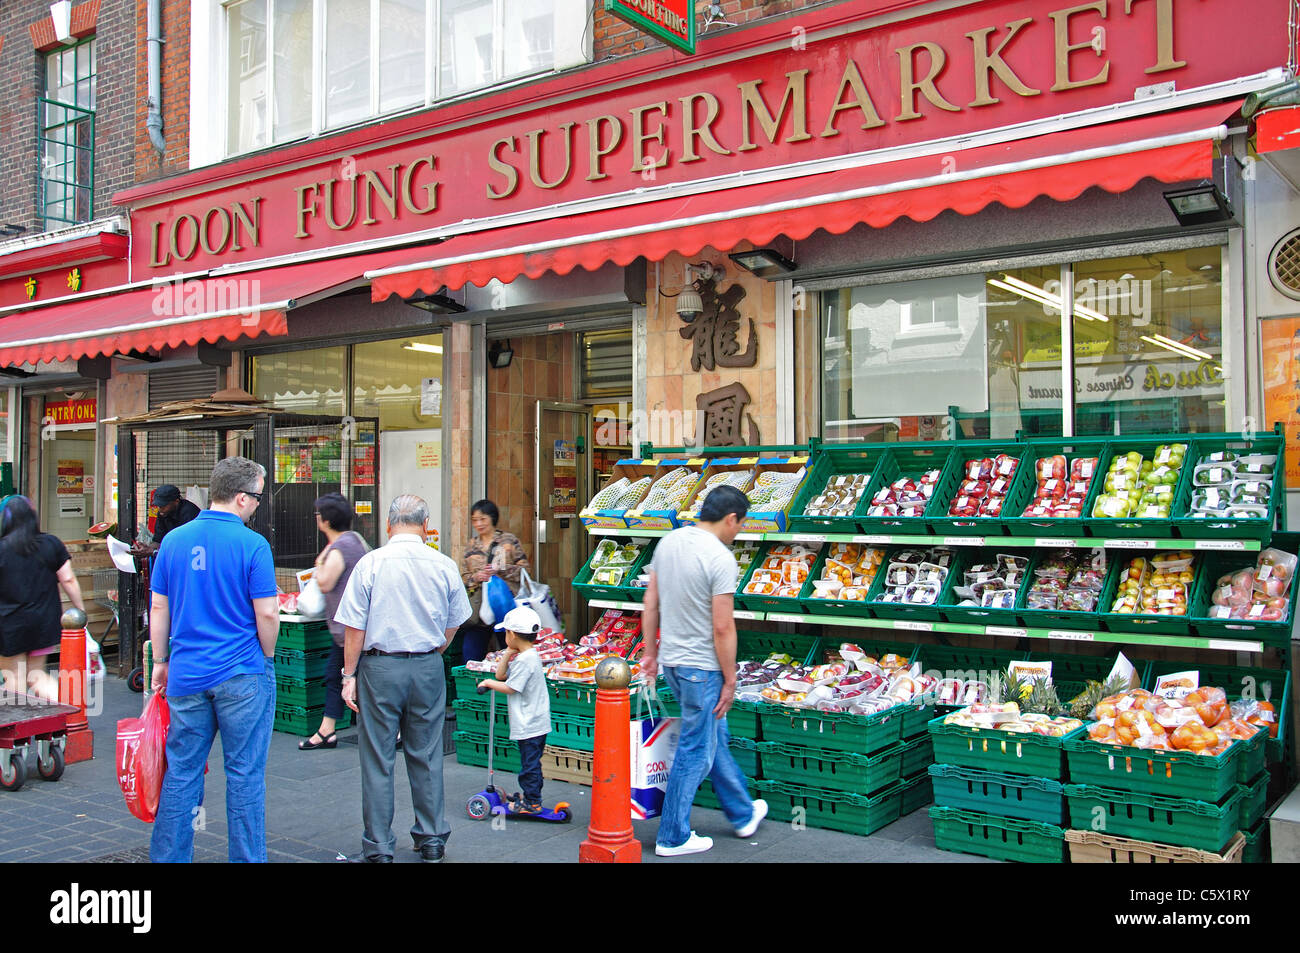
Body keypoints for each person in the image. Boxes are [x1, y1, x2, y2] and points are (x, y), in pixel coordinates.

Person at [148, 457, 279, 864]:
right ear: (241, 497)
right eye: (256, 497)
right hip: (243, 672)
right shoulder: (254, 545)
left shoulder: (174, 541)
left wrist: (160, 660)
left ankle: (170, 858)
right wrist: (267, 654)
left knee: (183, 773)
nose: (258, 505)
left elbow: (158, 607)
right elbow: (268, 613)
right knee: (244, 776)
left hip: (187, 673)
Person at [336, 494, 471, 863]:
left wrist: (349, 675)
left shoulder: (370, 564)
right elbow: (456, 620)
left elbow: (354, 630)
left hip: (380, 668)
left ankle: (379, 845)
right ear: (426, 525)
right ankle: (430, 839)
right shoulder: (443, 564)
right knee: (427, 754)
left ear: (388, 524)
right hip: (427, 666)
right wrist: (434, 652)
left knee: (378, 757)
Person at [641, 484, 767, 857]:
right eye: (740, 524)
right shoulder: (720, 558)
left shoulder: (670, 542)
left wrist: (650, 654)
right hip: (704, 668)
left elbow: (651, 604)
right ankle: (673, 835)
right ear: (730, 519)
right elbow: (723, 627)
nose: (739, 531)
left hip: (674, 664)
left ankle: (742, 814)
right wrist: (730, 679)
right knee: (696, 749)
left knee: (713, 734)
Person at [299, 492, 369, 751]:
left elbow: (326, 582)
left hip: (350, 629)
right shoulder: (353, 541)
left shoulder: (341, 548)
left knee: (345, 677)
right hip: (349, 628)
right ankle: (327, 730)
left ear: (326, 520)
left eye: (318, 515)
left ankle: (329, 731)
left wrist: (318, 565)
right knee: (339, 676)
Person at [0, 495, 86, 700]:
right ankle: (68, 717)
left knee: (13, 678)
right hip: (43, 621)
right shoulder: (51, 543)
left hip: (8, 625)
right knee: (36, 677)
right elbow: (68, 580)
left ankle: (17, 730)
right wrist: (80, 611)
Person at [476, 606, 552, 814]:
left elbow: (509, 687)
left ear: (511, 634)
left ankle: (532, 802)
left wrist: (487, 683)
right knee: (530, 761)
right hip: (532, 720)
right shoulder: (526, 656)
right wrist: (508, 652)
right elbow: (502, 676)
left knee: (529, 765)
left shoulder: (525, 661)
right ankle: (530, 796)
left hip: (530, 722)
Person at [458, 499, 530, 663]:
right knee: (470, 657)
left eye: (483, 519)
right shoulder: (471, 545)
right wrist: (476, 577)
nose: (478, 523)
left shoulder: (508, 541)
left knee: (508, 655)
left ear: (492, 518)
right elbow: (463, 576)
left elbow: (525, 570)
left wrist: (502, 570)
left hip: (504, 607)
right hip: (479, 612)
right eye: (475, 520)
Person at [130, 484, 201, 557]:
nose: (160, 509)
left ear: (176, 501)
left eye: (163, 506)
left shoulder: (189, 513)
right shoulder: (162, 513)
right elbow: (158, 540)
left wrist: (154, 551)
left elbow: (188, 544)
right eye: (159, 506)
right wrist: (147, 548)